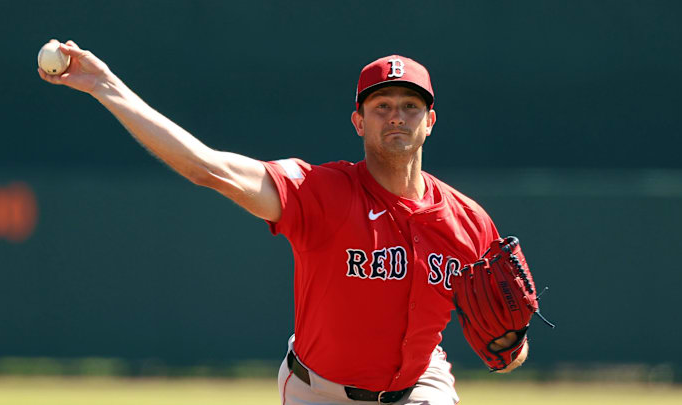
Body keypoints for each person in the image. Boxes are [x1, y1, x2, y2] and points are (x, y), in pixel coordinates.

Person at [39, 40, 528, 404]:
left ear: (430, 120)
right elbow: (205, 166)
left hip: (420, 388)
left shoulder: (468, 222)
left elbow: (507, 347)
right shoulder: (320, 192)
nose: (396, 116)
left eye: (409, 106)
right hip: (320, 393)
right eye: (382, 107)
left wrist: (511, 342)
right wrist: (106, 86)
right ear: (359, 121)